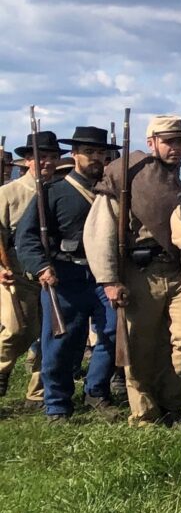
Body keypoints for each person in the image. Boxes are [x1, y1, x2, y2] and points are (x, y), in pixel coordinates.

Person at [87, 115, 181, 424]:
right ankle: (145, 413)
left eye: (179, 141)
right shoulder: (126, 174)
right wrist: (109, 279)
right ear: (151, 142)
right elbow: (102, 231)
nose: (175, 148)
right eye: (168, 141)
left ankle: (170, 399)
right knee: (140, 346)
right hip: (142, 272)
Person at [14, 127, 120, 420]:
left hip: (103, 276)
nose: (96, 158)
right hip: (65, 275)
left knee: (113, 332)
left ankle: (96, 391)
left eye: (100, 152)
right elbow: (27, 236)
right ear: (74, 155)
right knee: (60, 342)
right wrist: (40, 267)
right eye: (89, 152)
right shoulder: (53, 192)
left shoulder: (112, 192)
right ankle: (57, 404)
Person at [0, 134, 62, 404]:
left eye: (51, 156)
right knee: (16, 330)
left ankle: (38, 391)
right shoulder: (8, 193)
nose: (46, 161)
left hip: (52, 273)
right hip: (15, 272)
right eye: (41, 156)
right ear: (28, 160)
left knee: (47, 332)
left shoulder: (60, 190)